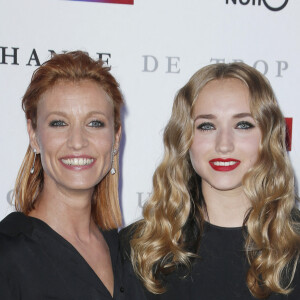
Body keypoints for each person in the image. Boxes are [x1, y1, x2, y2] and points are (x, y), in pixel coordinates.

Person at [121, 62, 300, 299]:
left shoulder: (294, 245)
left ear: (268, 137)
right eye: (207, 126)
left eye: (243, 124)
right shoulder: (141, 248)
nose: (224, 144)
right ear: (184, 138)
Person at [0, 51, 127, 299]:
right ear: (34, 135)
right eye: (59, 123)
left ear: (116, 137)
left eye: (95, 123)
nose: (77, 142)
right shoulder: (7, 255)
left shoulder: (126, 252)